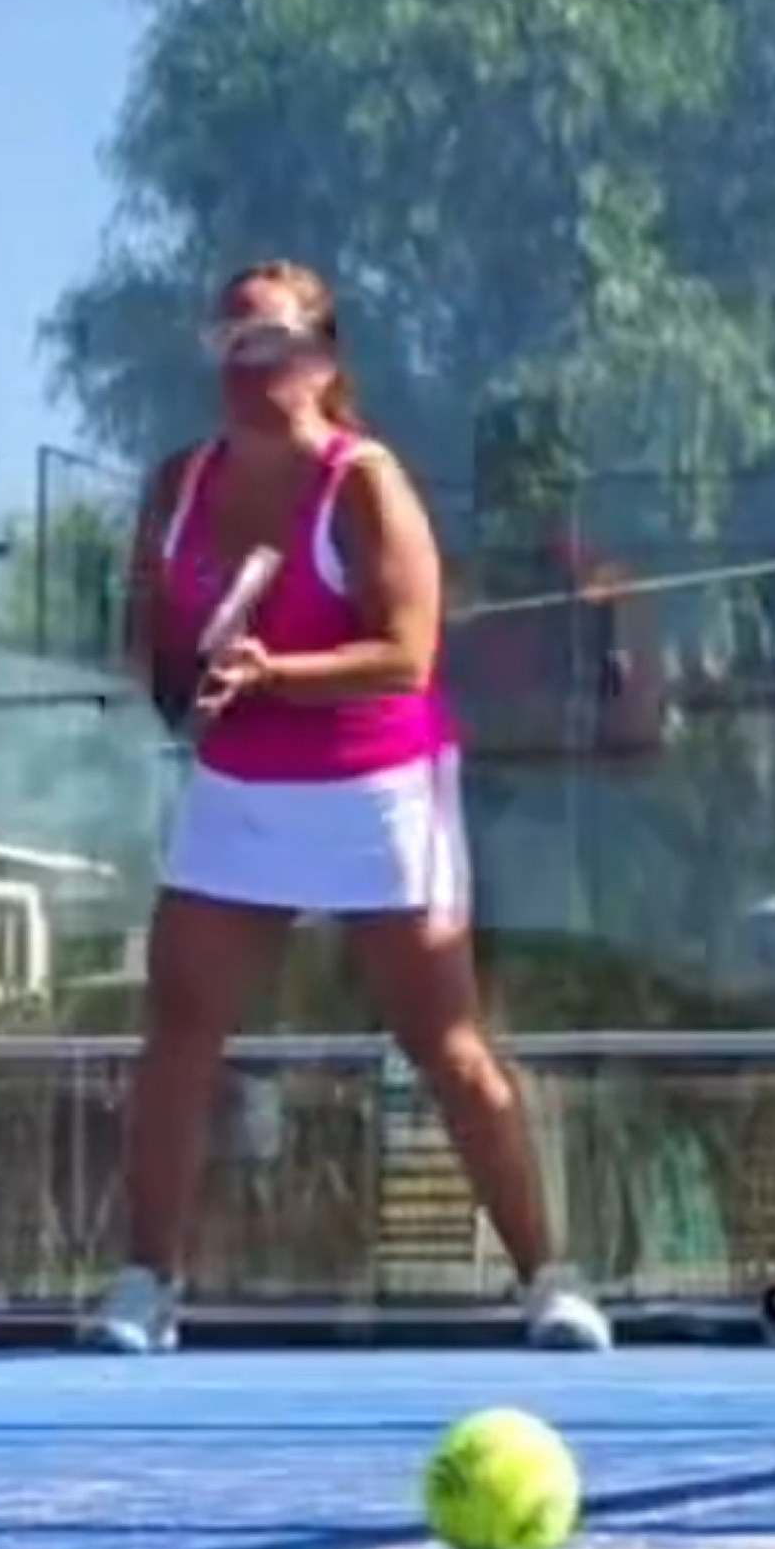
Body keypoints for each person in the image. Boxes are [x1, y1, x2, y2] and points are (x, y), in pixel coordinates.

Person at [83, 258, 611, 1353]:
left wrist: (275, 673)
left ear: (322, 360)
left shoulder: (363, 482)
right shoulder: (178, 485)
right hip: (239, 791)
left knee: (445, 1042)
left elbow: (408, 655)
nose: (248, 365)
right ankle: (145, 1287)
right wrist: (182, 682)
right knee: (178, 1031)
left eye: (271, 343)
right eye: (229, 344)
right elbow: (158, 644)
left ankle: (548, 1282)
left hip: (378, 791)